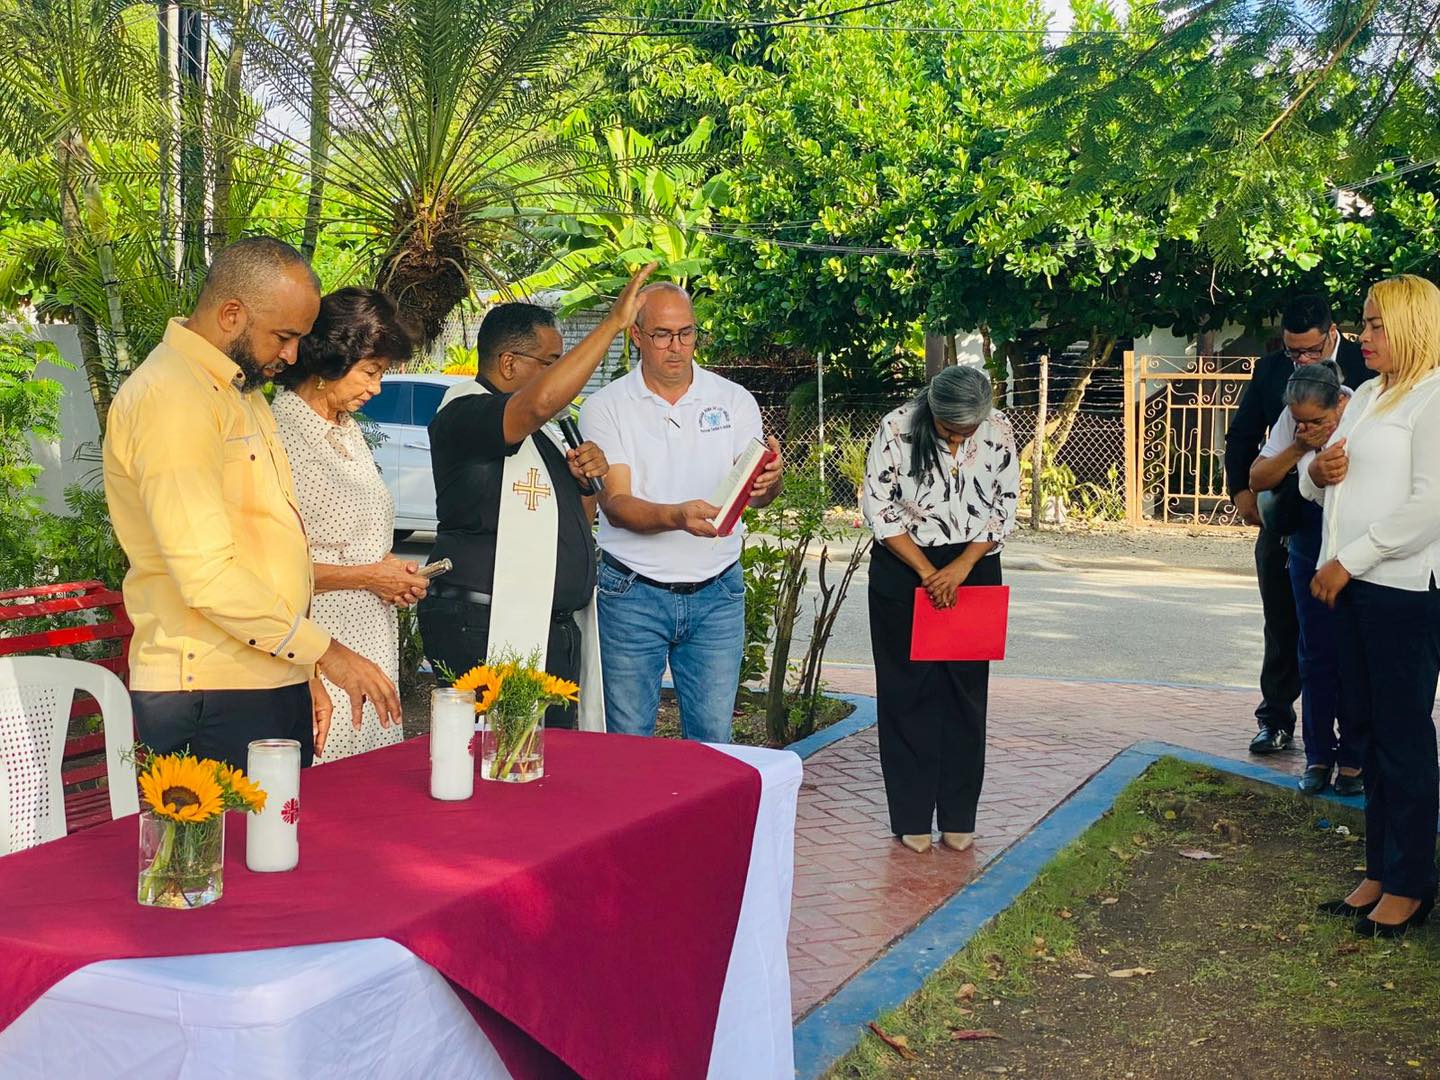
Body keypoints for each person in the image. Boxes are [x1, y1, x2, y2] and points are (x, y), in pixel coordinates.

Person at [102, 237, 400, 769]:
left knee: (282, 848)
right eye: (284, 337)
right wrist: (324, 651)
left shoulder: (240, 393)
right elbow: (207, 575)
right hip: (211, 687)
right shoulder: (173, 397)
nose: (291, 356)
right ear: (232, 313)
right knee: (221, 852)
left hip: (268, 673)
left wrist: (300, 671)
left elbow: (271, 548)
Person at [418, 263, 656, 730]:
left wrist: (587, 479)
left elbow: (576, 522)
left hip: (554, 627)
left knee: (546, 772)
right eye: (553, 362)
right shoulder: (466, 413)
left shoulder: (541, 435)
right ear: (509, 364)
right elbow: (540, 402)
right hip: (485, 624)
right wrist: (612, 324)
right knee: (498, 763)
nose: (564, 374)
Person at [579, 283, 783, 742]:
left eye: (687, 333)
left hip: (718, 590)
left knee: (713, 741)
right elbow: (615, 505)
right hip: (632, 591)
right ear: (636, 335)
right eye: (662, 334)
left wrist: (768, 484)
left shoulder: (733, 400)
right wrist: (677, 516)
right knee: (628, 742)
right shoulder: (607, 406)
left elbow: (750, 493)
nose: (677, 347)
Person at [1302, 274, 1440, 938]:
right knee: (1369, 731)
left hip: (1403, 590)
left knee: (1403, 737)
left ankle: (1413, 882)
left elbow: (1428, 506)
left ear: (1415, 325)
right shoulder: (1365, 398)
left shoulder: (1434, 397)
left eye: (1378, 323)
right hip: (1352, 587)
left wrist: (1348, 561)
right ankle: (1381, 869)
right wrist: (1314, 472)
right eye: (1364, 321)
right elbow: (1323, 475)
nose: (1364, 334)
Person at [860, 365, 1018, 854]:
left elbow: (1003, 506)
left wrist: (961, 567)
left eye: (967, 431)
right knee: (908, 694)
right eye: (951, 430)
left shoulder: (1000, 431)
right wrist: (929, 573)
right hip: (905, 566)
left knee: (965, 697)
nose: (958, 439)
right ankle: (910, 816)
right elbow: (878, 507)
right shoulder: (896, 427)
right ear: (933, 412)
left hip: (972, 566)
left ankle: (958, 814)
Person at [273, 287, 431, 763]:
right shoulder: (279, 434)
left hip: (369, 630)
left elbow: (355, 538)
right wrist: (366, 576)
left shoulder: (347, 429)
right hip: (319, 643)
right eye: (370, 371)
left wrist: (388, 572)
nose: (376, 388)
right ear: (329, 362)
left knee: (371, 782)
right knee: (325, 775)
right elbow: (269, 570)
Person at [1223, 295, 1373, 756]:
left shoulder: (1365, 369)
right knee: (1282, 621)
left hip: (1352, 520)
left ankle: (1350, 746)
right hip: (1286, 512)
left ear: (1331, 335)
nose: (1300, 360)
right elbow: (1244, 433)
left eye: (1309, 351)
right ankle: (1275, 718)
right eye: (1292, 351)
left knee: (1346, 637)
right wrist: (1242, 492)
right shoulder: (1271, 370)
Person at [1247, 363, 1362, 795]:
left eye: (1318, 421)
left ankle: (1353, 758)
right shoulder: (1294, 424)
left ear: (1340, 403)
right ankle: (1318, 756)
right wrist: (1297, 448)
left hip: (1356, 542)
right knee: (1314, 651)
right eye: (1301, 420)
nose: (1310, 426)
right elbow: (1258, 478)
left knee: (1354, 651)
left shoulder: (1363, 410)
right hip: (1307, 539)